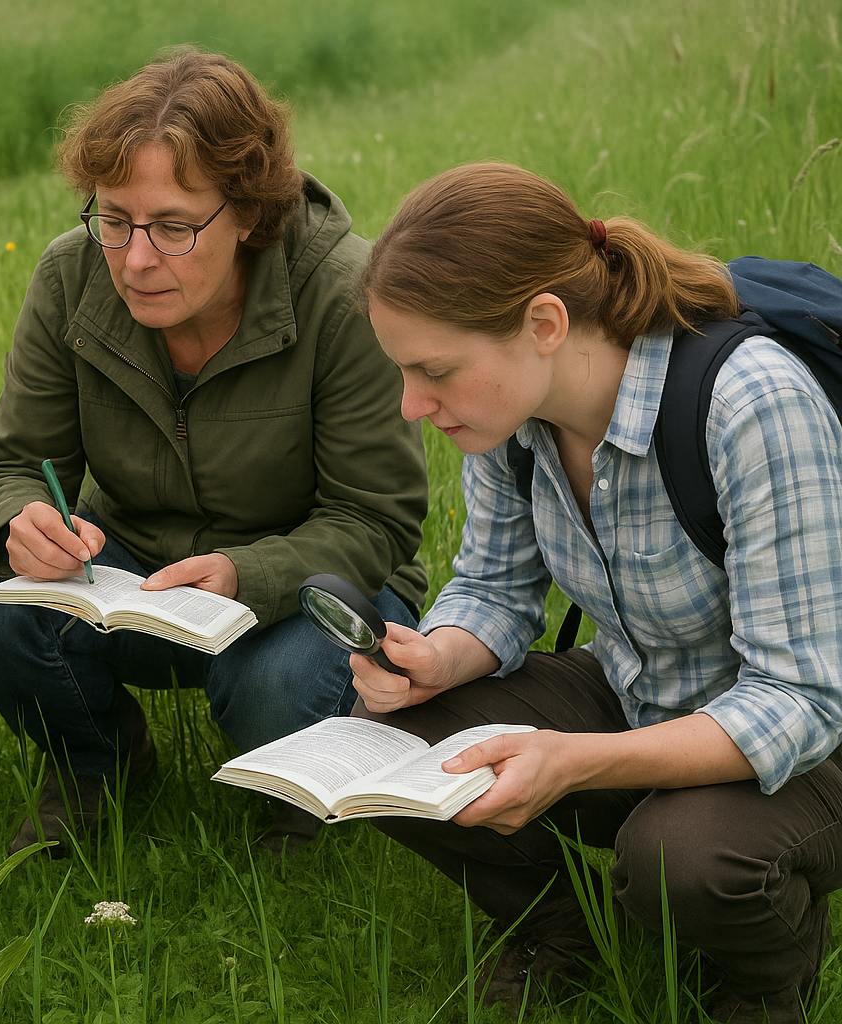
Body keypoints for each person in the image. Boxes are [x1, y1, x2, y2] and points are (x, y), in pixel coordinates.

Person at [352, 162, 842, 1023]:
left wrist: (576, 764)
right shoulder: (514, 419)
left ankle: (766, 977)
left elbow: (798, 700)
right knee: (390, 741)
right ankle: (563, 927)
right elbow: (496, 591)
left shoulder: (751, 402)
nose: (411, 405)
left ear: (545, 323)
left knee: (680, 856)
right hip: (640, 690)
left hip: (810, 742)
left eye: (434, 371)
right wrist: (435, 656)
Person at [0, 49, 428, 855]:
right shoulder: (71, 277)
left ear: (247, 212)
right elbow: (11, 464)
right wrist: (18, 521)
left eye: (172, 226)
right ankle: (101, 768)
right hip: (141, 572)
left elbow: (376, 518)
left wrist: (248, 576)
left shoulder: (345, 291)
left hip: (312, 587)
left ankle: (298, 792)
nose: (135, 258)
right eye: (114, 218)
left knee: (270, 686)